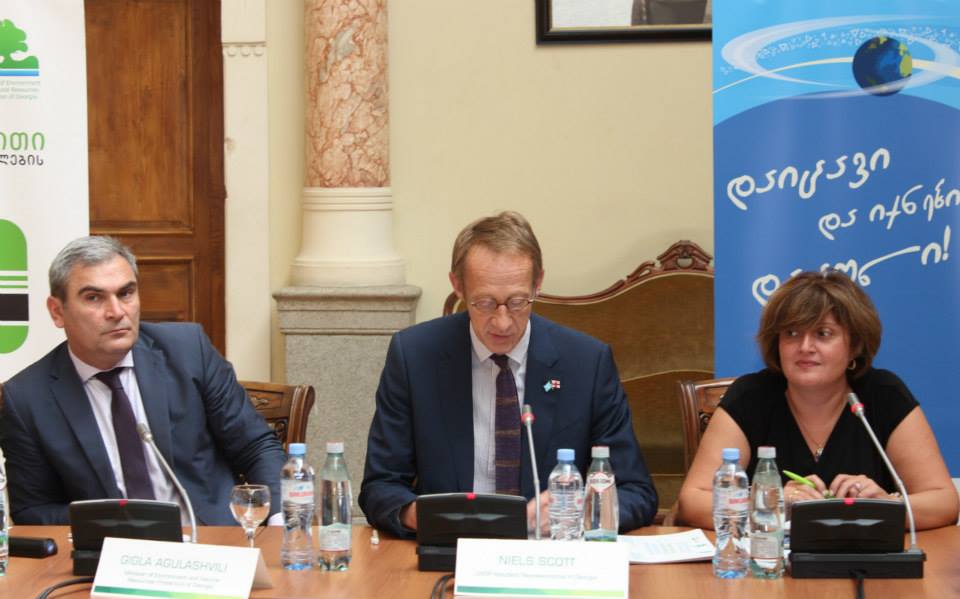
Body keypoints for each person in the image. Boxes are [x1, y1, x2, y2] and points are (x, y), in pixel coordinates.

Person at [359, 211, 658, 538]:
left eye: (517, 302)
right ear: (458, 286)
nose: (502, 323)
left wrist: (578, 513)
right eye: (485, 303)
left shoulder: (586, 363)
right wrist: (430, 517)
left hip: (548, 550)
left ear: (537, 283)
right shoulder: (415, 356)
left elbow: (637, 493)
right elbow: (381, 487)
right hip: (452, 547)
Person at [0, 236, 285, 525]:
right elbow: (32, 510)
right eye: (94, 298)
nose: (116, 312)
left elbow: (256, 447)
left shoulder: (188, 351)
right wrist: (112, 522)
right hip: (108, 547)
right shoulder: (27, 398)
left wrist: (278, 522)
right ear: (57, 311)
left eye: (126, 293)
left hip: (210, 538)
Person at [677, 270, 959, 530]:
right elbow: (692, 501)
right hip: (769, 561)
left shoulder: (883, 394)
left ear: (855, 346)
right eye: (792, 333)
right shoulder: (751, 396)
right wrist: (770, 505)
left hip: (863, 561)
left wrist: (885, 507)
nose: (805, 347)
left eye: (823, 334)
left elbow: (943, 502)